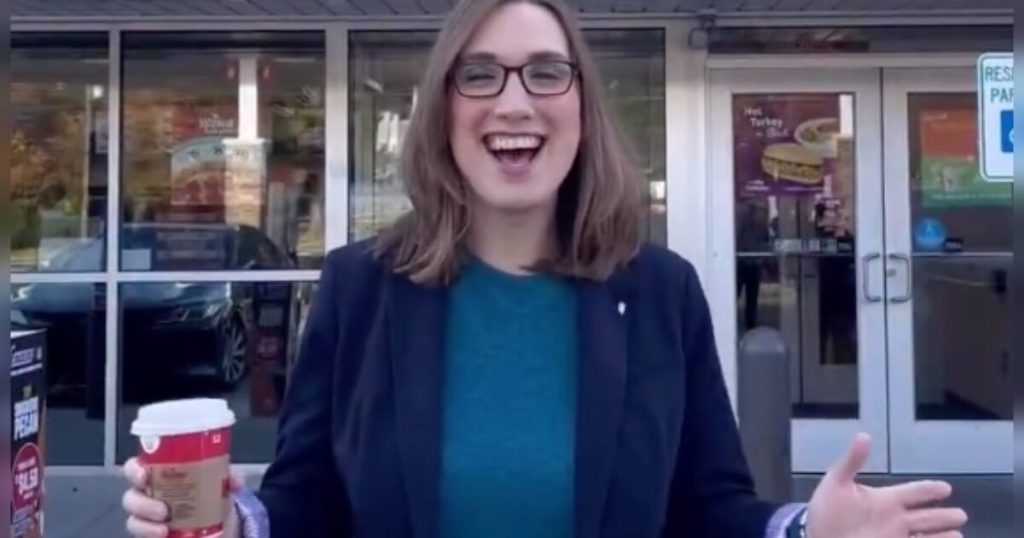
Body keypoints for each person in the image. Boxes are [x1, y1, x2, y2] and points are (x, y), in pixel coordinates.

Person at [122, 1, 969, 537]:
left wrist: (803, 530)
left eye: (546, 73)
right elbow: (306, 501)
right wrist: (233, 522)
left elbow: (709, 509)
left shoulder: (661, 292)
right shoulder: (360, 289)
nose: (514, 101)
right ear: (443, 114)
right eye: (479, 75)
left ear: (582, 110)